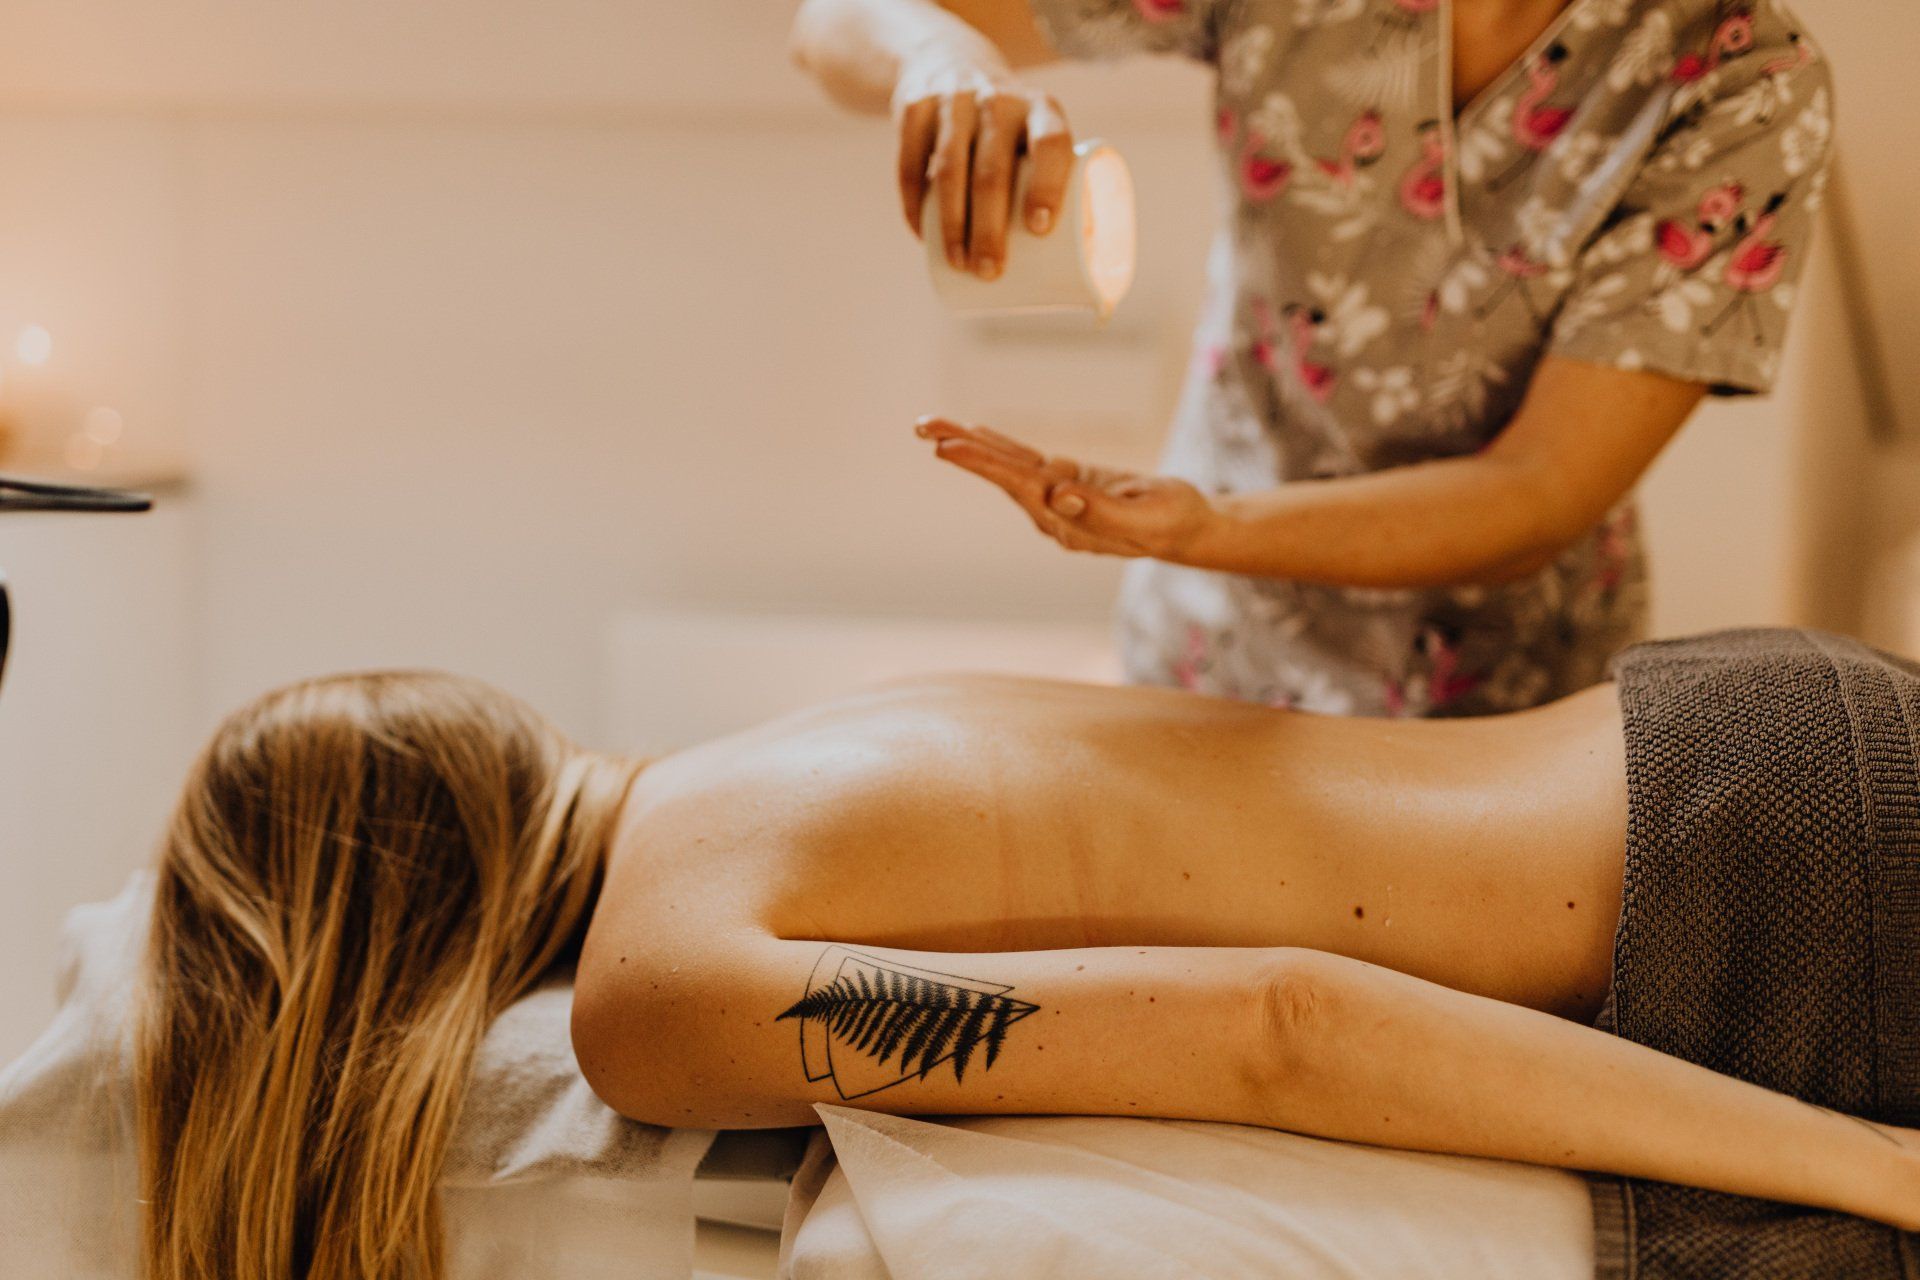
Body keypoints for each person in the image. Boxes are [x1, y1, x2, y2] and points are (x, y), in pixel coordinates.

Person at [139, 628, 1919, 1277]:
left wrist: (1871, 1174)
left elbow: (1279, 1028)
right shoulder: (772, 753)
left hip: (1765, 888)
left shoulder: (656, 989)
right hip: (1743, 736)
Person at [791, 0, 1835, 717]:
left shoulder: (1746, 80)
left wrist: (1211, 524)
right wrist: (942, 61)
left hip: (1496, 715)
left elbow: (1542, 484)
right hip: (1208, 658)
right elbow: (835, 21)